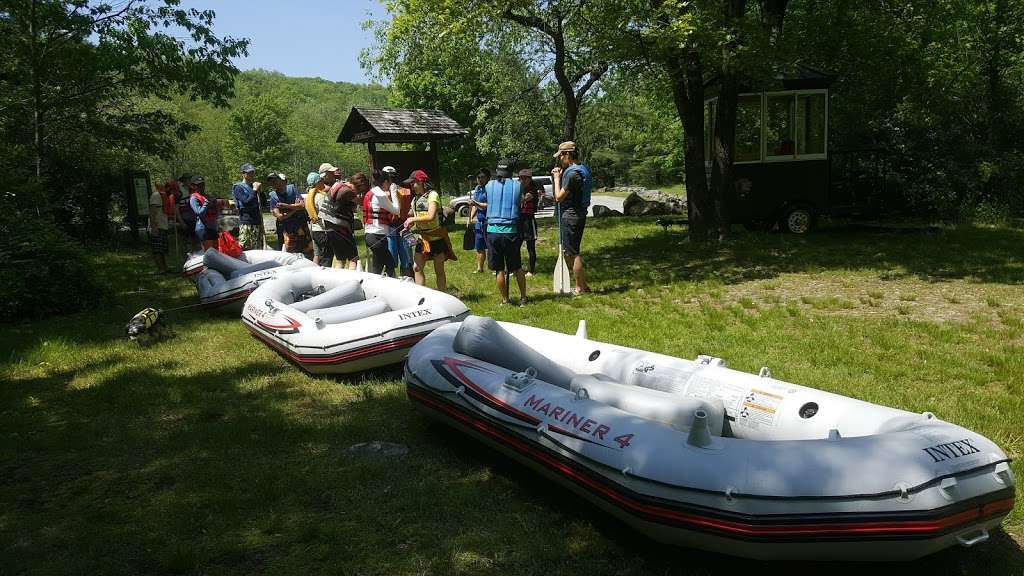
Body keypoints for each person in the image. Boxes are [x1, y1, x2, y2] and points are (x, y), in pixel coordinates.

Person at [401, 169, 456, 291]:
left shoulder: (433, 195)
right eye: (411, 183)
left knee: (439, 269)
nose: (412, 186)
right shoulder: (415, 199)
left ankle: (442, 294)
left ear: (422, 182)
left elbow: (431, 216)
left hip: (437, 238)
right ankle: (421, 295)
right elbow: (413, 217)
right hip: (422, 239)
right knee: (416, 268)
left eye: (413, 183)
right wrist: (409, 225)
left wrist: (412, 219)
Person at [551, 141, 592, 295]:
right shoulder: (583, 169)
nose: (560, 159)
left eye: (561, 156)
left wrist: (556, 178)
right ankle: (583, 285)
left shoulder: (573, 173)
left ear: (567, 154)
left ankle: (580, 288)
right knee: (571, 251)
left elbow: (558, 197)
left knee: (572, 253)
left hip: (571, 215)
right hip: (579, 213)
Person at [484, 159, 527, 305]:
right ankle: (523, 298)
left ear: (497, 171)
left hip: (493, 232)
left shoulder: (489, 185)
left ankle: (505, 299)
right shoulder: (518, 185)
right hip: (511, 232)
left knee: (499, 269)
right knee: (517, 267)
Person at [362, 169, 401, 276]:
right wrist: (393, 193)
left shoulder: (370, 193)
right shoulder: (380, 195)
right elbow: (396, 210)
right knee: (390, 264)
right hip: (377, 237)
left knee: (377, 267)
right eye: (389, 182)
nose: (389, 185)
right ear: (384, 182)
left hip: (370, 236)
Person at [319, 167, 359, 269]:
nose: (357, 192)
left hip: (328, 226)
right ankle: (352, 281)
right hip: (340, 226)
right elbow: (358, 202)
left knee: (340, 259)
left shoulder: (337, 186)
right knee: (353, 258)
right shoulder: (346, 190)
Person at [267, 172, 313, 258]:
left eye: (275, 180)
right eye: (271, 182)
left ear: (281, 180)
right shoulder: (273, 197)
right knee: (288, 255)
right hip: (287, 229)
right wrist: (295, 208)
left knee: (308, 251)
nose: (274, 183)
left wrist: (286, 206)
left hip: (301, 225)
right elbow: (280, 217)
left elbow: (302, 205)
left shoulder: (292, 189)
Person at [382, 166, 414, 277]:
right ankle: (405, 279)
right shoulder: (406, 191)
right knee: (404, 258)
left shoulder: (381, 194)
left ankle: (403, 280)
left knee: (401, 259)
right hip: (401, 227)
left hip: (398, 228)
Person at [231, 162, 263, 250]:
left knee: (257, 247)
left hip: (257, 221)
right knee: (245, 246)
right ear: (243, 174)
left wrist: (260, 191)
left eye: (252, 172)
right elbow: (246, 202)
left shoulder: (253, 186)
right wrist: (255, 190)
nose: (251, 174)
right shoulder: (238, 187)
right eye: (248, 172)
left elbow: (262, 203)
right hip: (246, 221)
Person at [304, 169, 331, 266]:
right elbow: (326, 215)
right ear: (317, 182)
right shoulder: (320, 196)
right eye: (321, 180)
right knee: (326, 258)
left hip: (315, 230)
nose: (323, 182)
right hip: (323, 231)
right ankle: (326, 280)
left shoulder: (308, 197)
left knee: (318, 255)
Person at [188, 175, 219, 250]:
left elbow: (216, 212)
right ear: (193, 186)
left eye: (202, 184)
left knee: (216, 252)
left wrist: (215, 203)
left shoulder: (208, 196)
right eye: (198, 185)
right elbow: (199, 213)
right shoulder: (194, 198)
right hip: (203, 228)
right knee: (209, 253)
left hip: (212, 227)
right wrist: (206, 203)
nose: (201, 186)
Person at [148, 181, 173, 273]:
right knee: (157, 249)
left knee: (162, 249)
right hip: (157, 226)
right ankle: (161, 269)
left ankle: (165, 268)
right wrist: (154, 226)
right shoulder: (156, 195)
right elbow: (152, 211)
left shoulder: (164, 196)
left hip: (163, 226)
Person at [517, 168, 539, 276]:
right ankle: (516, 268)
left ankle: (531, 269)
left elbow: (523, 199)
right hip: (519, 220)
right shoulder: (519, 189)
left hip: (529, 220)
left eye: (525, 178)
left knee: (531, 247)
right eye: (521, 178)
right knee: (516, 246)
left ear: (530, 179)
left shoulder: (533, 190)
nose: (523, 180)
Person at [468, 168, 490, 273]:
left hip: (489, 222)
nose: (480, 179)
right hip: (479, 222)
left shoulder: (490, 189)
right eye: (478, 177)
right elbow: (474, 206)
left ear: (488, 178)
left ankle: (494, 268)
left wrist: (475, 203)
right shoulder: (477, 188)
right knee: (479, 246)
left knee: (491, 247)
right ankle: (480, 268)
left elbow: (488, 205)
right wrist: (471, 217)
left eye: (482, 177)